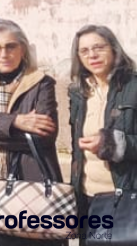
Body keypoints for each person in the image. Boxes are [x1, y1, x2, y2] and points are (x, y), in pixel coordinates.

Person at [0, 20, 64, 246]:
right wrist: (16, 121)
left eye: (10, 46)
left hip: (36, 188)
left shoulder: (41, 83)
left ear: (22, 49)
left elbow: (42, 136)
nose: (3, 54)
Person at [68, 25, 137, 239]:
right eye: (85, 51)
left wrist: (111, 143)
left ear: (114, 49)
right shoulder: (78, 92)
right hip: (88, 197)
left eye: (99, 47)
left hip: (127, 197)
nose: (92, 55)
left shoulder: (133, 86)